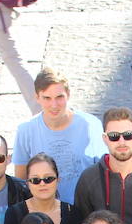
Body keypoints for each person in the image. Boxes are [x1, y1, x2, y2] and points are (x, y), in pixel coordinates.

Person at [12, 67, 106, 205]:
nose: (54, 105)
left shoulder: (91, 125)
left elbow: (104, 171)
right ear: (37, 97)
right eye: (47, 98)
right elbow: (21, 181)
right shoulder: (25, 130)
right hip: (44, 210)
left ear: (68, 94)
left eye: (59, 97)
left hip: (85, 207)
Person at [0, 153, 81, 224]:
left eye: (48, 179)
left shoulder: (72, 213)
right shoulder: (14, 214)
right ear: (28, 183)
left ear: (58, 179)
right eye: (35, 180)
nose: (42, 184)